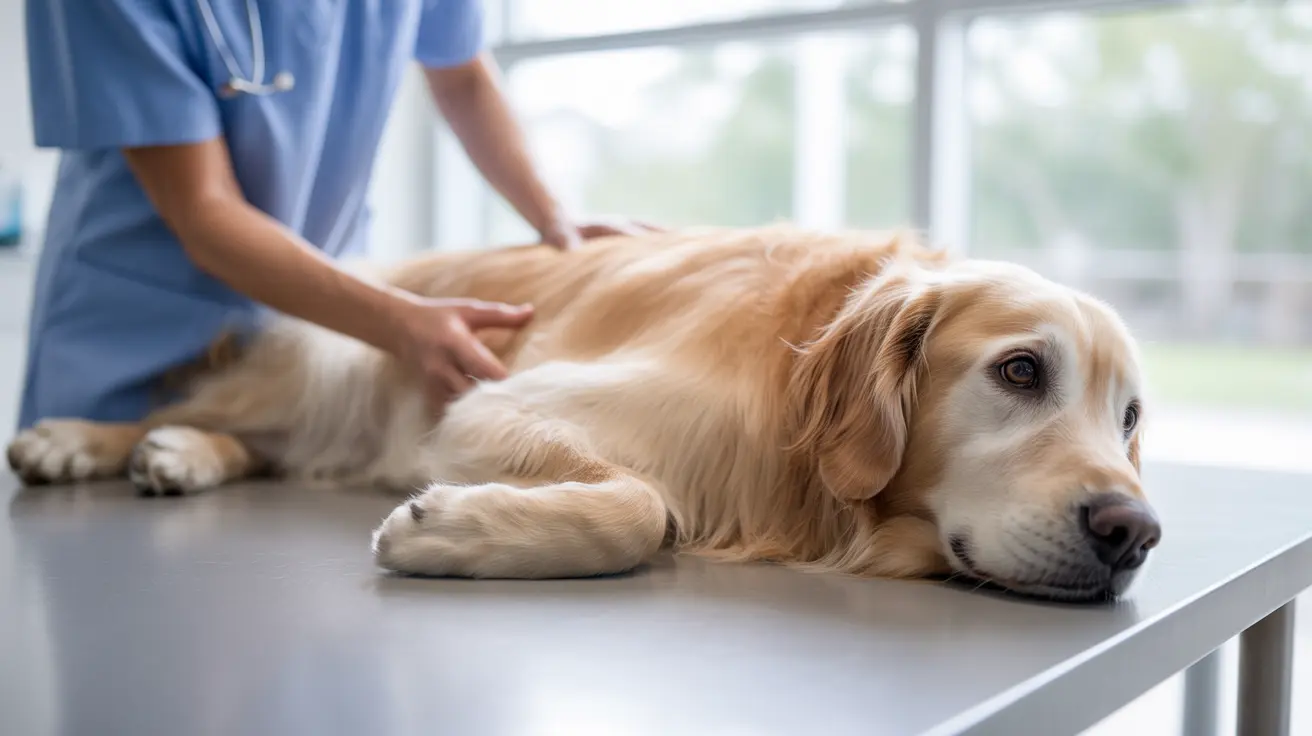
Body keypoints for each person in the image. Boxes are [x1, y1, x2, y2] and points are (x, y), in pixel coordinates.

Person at [17, 0, 652, 431]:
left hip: (325, 329)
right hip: (134, 340)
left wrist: (554, 216)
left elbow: (461, 75)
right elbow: (204, 211)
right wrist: (400, 322)